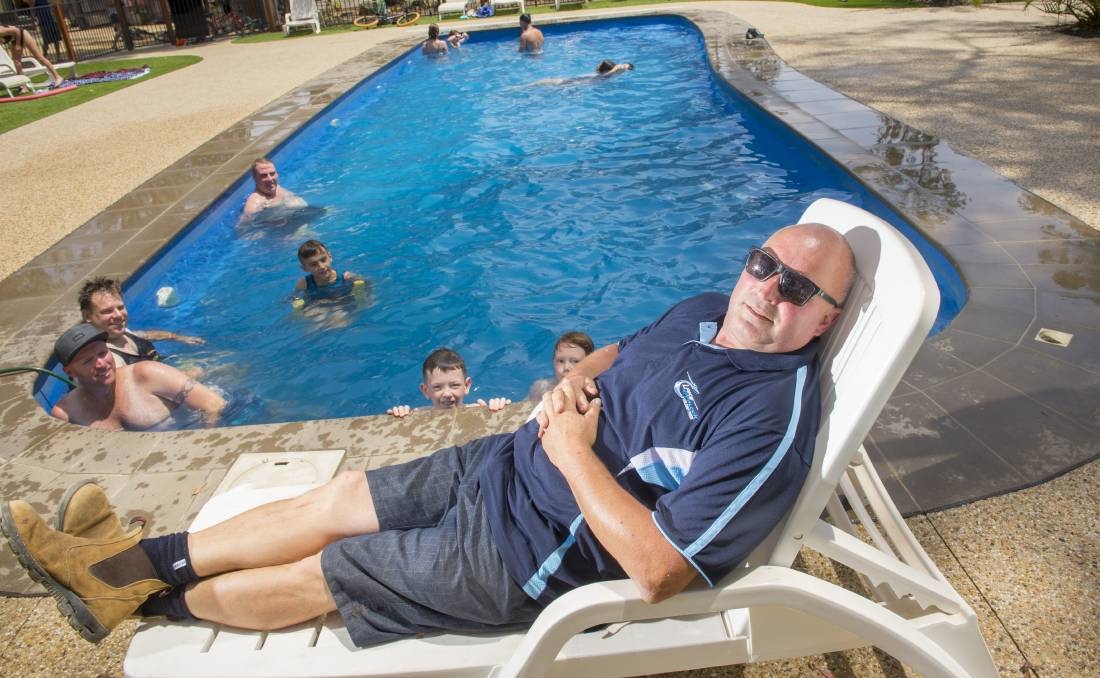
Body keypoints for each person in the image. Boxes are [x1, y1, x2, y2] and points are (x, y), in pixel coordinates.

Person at [0, 223, 855, 649]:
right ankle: (119, 565)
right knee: (333, 499)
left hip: (523, 556)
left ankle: (139, 602)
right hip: (503, 464)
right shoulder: (709, 310)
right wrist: (570, 385)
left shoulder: (769, 417)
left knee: (323, 573)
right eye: (764, 265)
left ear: (825, 319)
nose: (769, 291)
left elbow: (665, 569)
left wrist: (570, 453)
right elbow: (624, 348)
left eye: (797, 290)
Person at [47, 323, 226, 431]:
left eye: (103, 353)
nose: (101, 364)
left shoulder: (146, 374)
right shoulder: (66, 413)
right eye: (88, 361)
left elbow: (214, 404)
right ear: (70, 372)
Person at [78, 277, 205, 369]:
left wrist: (178, 337)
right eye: (107, 311)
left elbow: (147, 335)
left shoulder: (121, 332)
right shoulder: (111, 360)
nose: (118, 315)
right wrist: (186, 378)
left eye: (120, 307)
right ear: (87, 316)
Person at [387, 347, 512, 418]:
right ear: (426, 391)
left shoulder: (478, 410)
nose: (447, 393)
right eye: (437, 387)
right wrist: (400, 414)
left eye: (454, 385)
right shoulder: (418, 414)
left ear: (467, 386)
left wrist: (498, 408)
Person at [527, 330, 594, 402]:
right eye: (561, 361)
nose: (566, 367)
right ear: (553, 362)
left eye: (575, 361)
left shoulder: (596, 391)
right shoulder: (541, 388)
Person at [0, 22, 65, 87]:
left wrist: (18, 44)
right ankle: (23, 85)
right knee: (16, 62)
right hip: (13, 39)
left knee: (39, 57)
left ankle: (58, 77)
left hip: (22, 34)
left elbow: (17, 30)